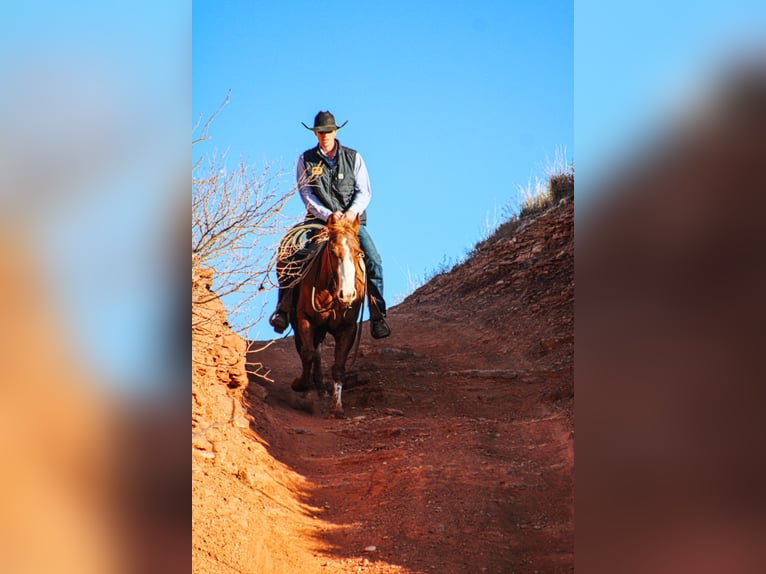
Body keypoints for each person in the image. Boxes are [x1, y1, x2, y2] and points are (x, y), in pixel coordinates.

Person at [269, 110, 391, 339]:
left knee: (373, 260)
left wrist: (350, 213)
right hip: (319, 223)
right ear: (315, 133)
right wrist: (328, 215)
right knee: (294, 258)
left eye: (328, 131)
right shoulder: (306, 159)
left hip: (351, 224)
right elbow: (306, 194)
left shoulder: (354, 158)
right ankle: (283, 309)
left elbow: (364, 192)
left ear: (335, 132)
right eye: (320, 132)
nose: (324, 135)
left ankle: (377, 316)